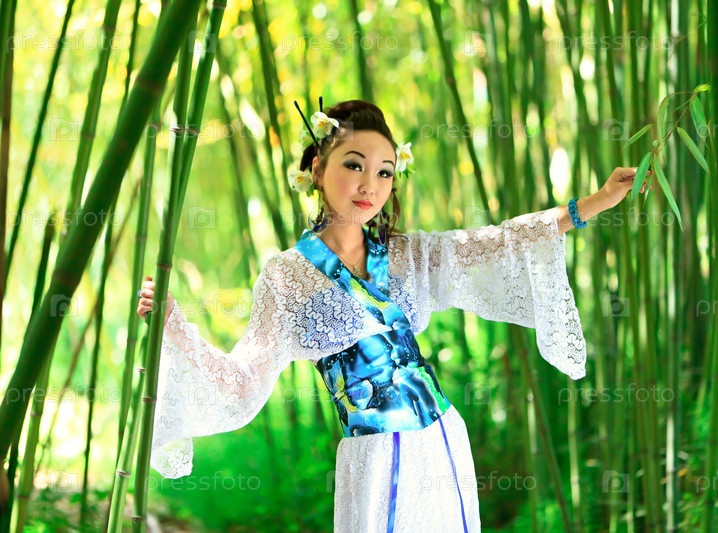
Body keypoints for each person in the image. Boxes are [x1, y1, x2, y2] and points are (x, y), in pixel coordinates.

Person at [136, 99, 646, 532]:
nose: (370, 184)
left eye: (384, 171)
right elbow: (242, 379)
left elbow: (500, 239)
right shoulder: (286, 276)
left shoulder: (405, 254)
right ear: (317, 169)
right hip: (374, 460)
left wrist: (597, 201)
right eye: (354, 165)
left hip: (443, 441)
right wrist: (173, 325)